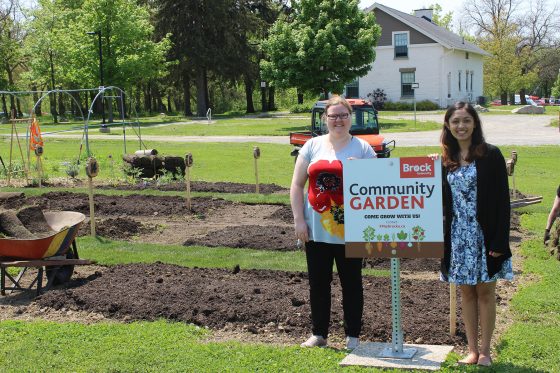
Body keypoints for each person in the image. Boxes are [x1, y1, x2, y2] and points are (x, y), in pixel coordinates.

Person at [290, 96, 376, 351]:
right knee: (318, 283)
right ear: (325, 119)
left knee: (352, 283)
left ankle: (353, 336)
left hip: (351, 229)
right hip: (316, 229)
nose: (338, 120)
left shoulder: (363, 149)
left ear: (351, 118)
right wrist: (299, 221)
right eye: (333, 116)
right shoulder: (312, 146)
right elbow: (297, 185)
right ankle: (319, 334)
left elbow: (376, 185)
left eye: (343, 115)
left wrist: (360, 169)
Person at [438, 102, 513, 367]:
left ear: (475, 123)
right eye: (455, 121)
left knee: (486, 292)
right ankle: (471, 350)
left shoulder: (490, 155)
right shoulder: (446, 160)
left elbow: (503, 203)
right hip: (458, 236)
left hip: (485, 235)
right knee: (466, 293)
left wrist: (500, 242)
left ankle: (486, 351)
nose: (461, 126)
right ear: (448, 125)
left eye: (466, 120)